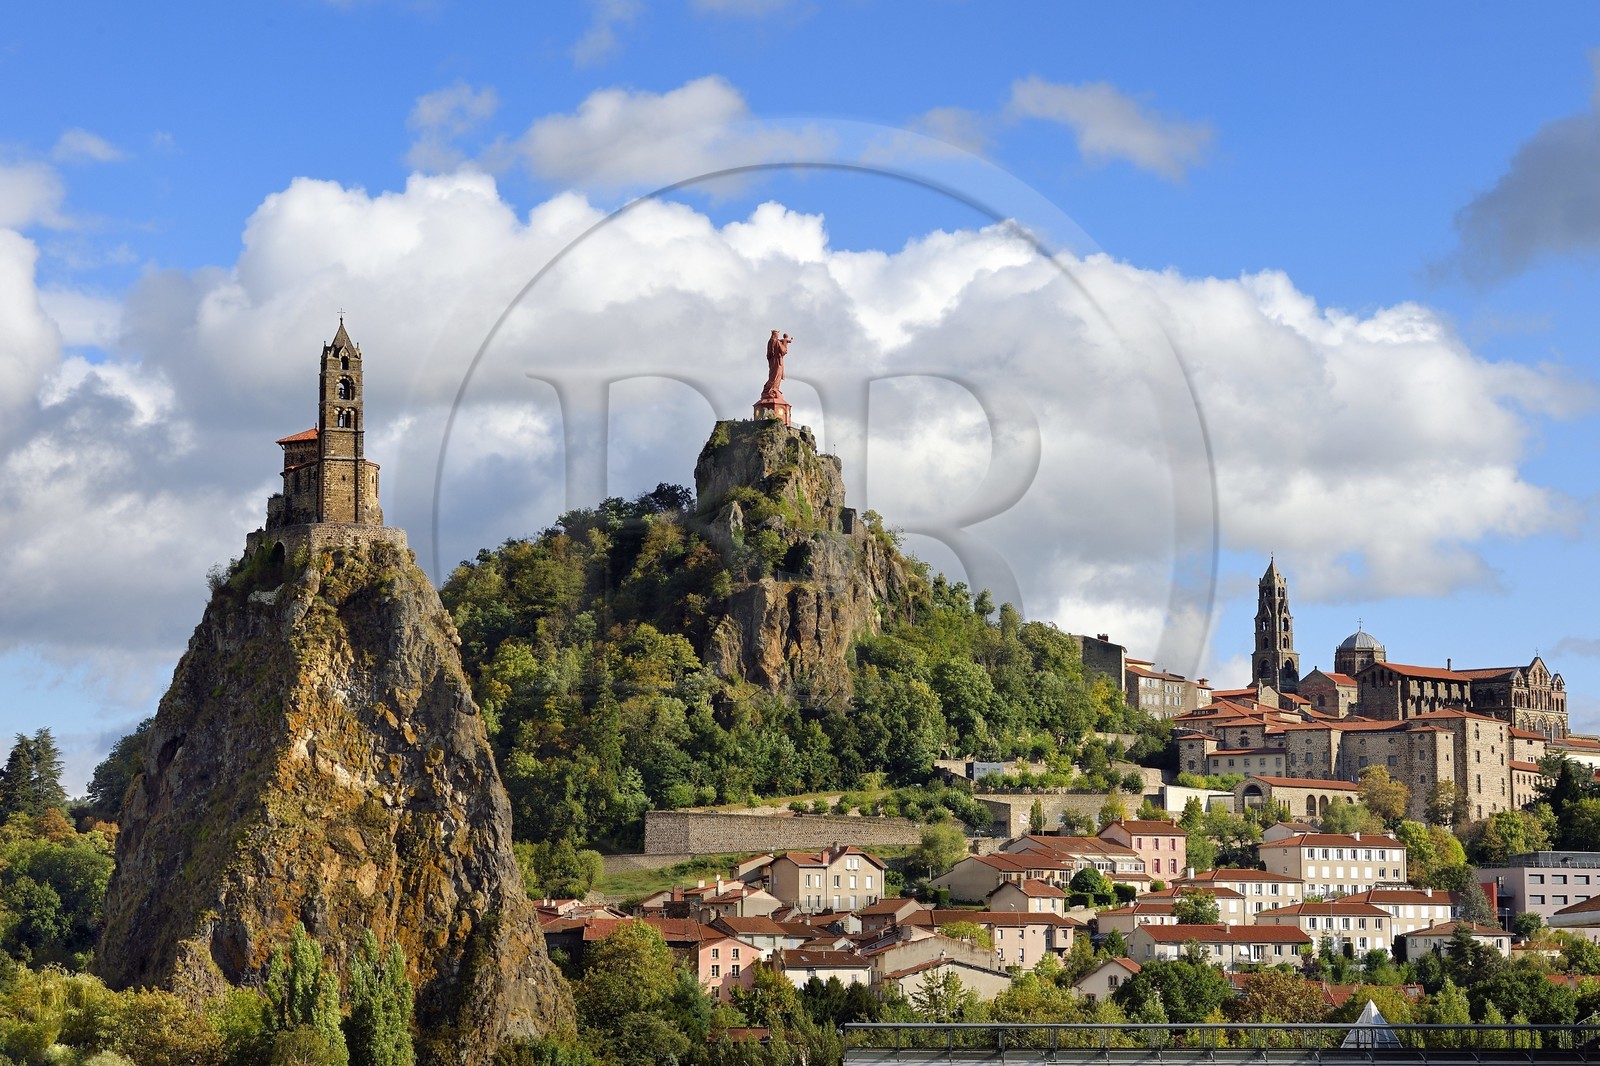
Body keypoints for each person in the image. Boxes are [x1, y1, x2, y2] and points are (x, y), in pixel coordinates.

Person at [763, 329, 791, 401]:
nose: (778, 336)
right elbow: (783, 351)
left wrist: (784, 340)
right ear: (775, 335)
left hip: (772, 362)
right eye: (777, 335)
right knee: (776, 375)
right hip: (778, 362)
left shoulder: (770, 342)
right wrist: (785, 342)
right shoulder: (777, 342)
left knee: (773, 375)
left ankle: (773, 389)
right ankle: (772, 390)